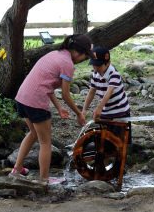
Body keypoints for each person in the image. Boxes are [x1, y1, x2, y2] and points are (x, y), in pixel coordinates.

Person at [11, 34, 93, 183]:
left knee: (33, 133)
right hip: (35, 101)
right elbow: (66, 95)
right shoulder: (67, 64)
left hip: (22, 97)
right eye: (84, 56)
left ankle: (17, 169)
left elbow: (46, 85)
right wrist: (79, 113)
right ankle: (44, 179)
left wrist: (59, 107)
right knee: (45, 142)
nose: (83, 59)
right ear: (77, 51)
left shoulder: (54, 54)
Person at [82, 46, 132, 144]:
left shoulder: (114, 74)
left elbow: (109, 92)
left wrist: (99, 108)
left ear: (108, 63)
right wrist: (84, 109)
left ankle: (121, 158)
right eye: (93, 65)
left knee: (120, 142)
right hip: (106, 112)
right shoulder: (95, 74)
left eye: (98, 65)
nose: (95, 68)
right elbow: (91, 92)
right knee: (105, 142)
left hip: (120, 112)